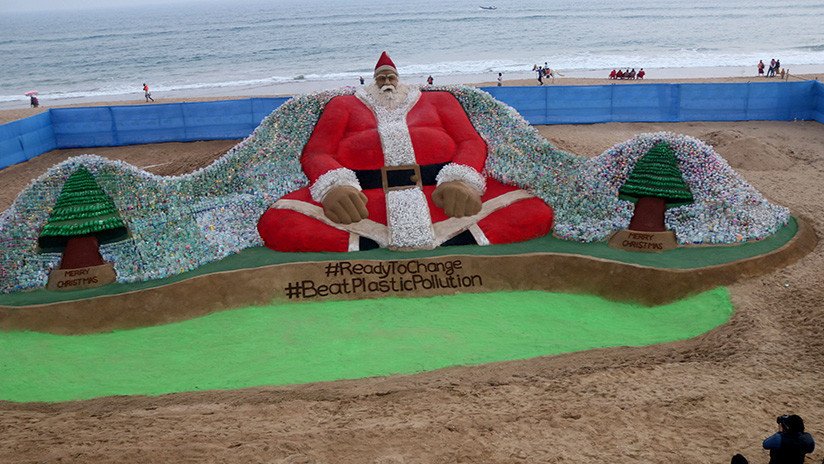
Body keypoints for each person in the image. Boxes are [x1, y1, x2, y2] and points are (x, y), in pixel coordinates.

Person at [257, 51, 554, 252]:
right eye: (381, 78)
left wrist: (462, 180)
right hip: (365, 201)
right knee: (277, 222)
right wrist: (335, 187)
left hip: (440, 194)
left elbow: (471, 142)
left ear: (399, 78)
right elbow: (316, 152)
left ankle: (457, 235)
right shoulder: (342, 106)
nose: (387, 83)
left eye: (391, 77)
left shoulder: (440, 100)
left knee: (534, 210)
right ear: (373, 81)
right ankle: (367, 240)